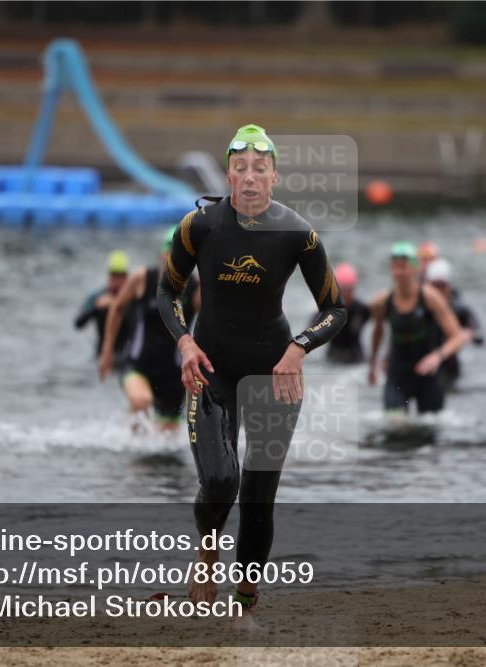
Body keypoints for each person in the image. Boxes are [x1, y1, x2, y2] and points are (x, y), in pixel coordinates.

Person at [156, 124, 346, 618]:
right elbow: (166, 291)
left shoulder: (297, 233)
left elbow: (334, 308)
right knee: (220, 482)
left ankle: (245, 600)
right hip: (210, 369)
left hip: (274, 373)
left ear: (274, 176)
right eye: (240, 168)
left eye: (259, 169)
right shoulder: (199, 227)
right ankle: (206, 552)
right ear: (228, 175)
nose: (249, 177)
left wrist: (299, 348)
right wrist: (185, 342)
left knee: (259, 497)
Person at [99, 230, 199, 431]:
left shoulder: (196, 288)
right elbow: (117, 309)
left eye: (180, 252)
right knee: (141, 401)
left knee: (167, 440)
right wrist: (107, 351)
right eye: (169, 250)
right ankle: (132, 449)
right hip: (138, 363)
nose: (173, 256)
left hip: (174, 372)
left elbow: (213, 319)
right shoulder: (142, 278)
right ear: (161, 253)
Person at [368, 242, 468, 414]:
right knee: (395, 427)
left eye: (403, 267)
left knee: (430, 428)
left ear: (414, 269)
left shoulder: (430, 297)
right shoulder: (382, 301)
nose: (398, 273)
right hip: (397, 374)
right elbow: (378, 332)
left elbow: (457, 337)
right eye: (395, 268)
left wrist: (437, 356)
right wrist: (373, 364)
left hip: (427, 374)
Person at [424, 258, 483, 389]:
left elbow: (479, 336)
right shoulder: (419, 308)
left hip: (448, 366)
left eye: (442, 285)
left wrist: (469, 334)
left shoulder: (459, 309)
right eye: (435, 285)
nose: (438, 290)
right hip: (423, 362)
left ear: (449, 287)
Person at [74, 250, 134, 373]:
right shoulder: (98, 298)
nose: (117, 280)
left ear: (127, 277)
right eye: (114, 275)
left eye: (120, 275)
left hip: (128, 358)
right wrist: (95, 307)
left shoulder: (134, 299)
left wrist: (118, 304)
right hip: (101, 357)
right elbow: (78, 323)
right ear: (108, 276)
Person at [326, 262, 370, 364]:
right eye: (343, 290)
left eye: (350, 289)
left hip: (356, 357)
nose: (346, 294)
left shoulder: (362, 309)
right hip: (333, 358)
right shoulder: (328, 311)